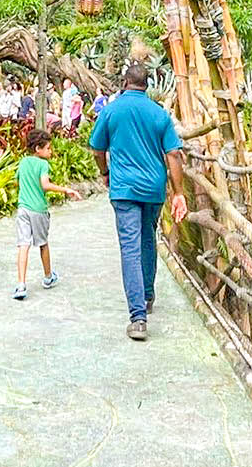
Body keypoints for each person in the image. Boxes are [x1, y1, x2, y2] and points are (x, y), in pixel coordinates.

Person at [88, 59, 189, 340]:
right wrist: (178, 192)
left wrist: (105, 172)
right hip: (153, 188)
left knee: (130, 247)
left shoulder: (112, 111)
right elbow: (173, 155)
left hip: (123, 189)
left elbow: (97, 148)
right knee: (148, 239)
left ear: (124, 83)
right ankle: (147, 294)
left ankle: (138, 317)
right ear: (147, 85)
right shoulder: (159, 113)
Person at [13, 128, 79, 301]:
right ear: (38, 149)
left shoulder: (23, 162)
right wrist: (65, 189)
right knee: (42, 244)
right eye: (48, 148)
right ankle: (48, 276)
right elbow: (45, 185)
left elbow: (17, 181)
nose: (51, 151)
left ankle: (21, 284)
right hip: (38, 210)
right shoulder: (43, 165)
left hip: (23, 208)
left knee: (23, 245)